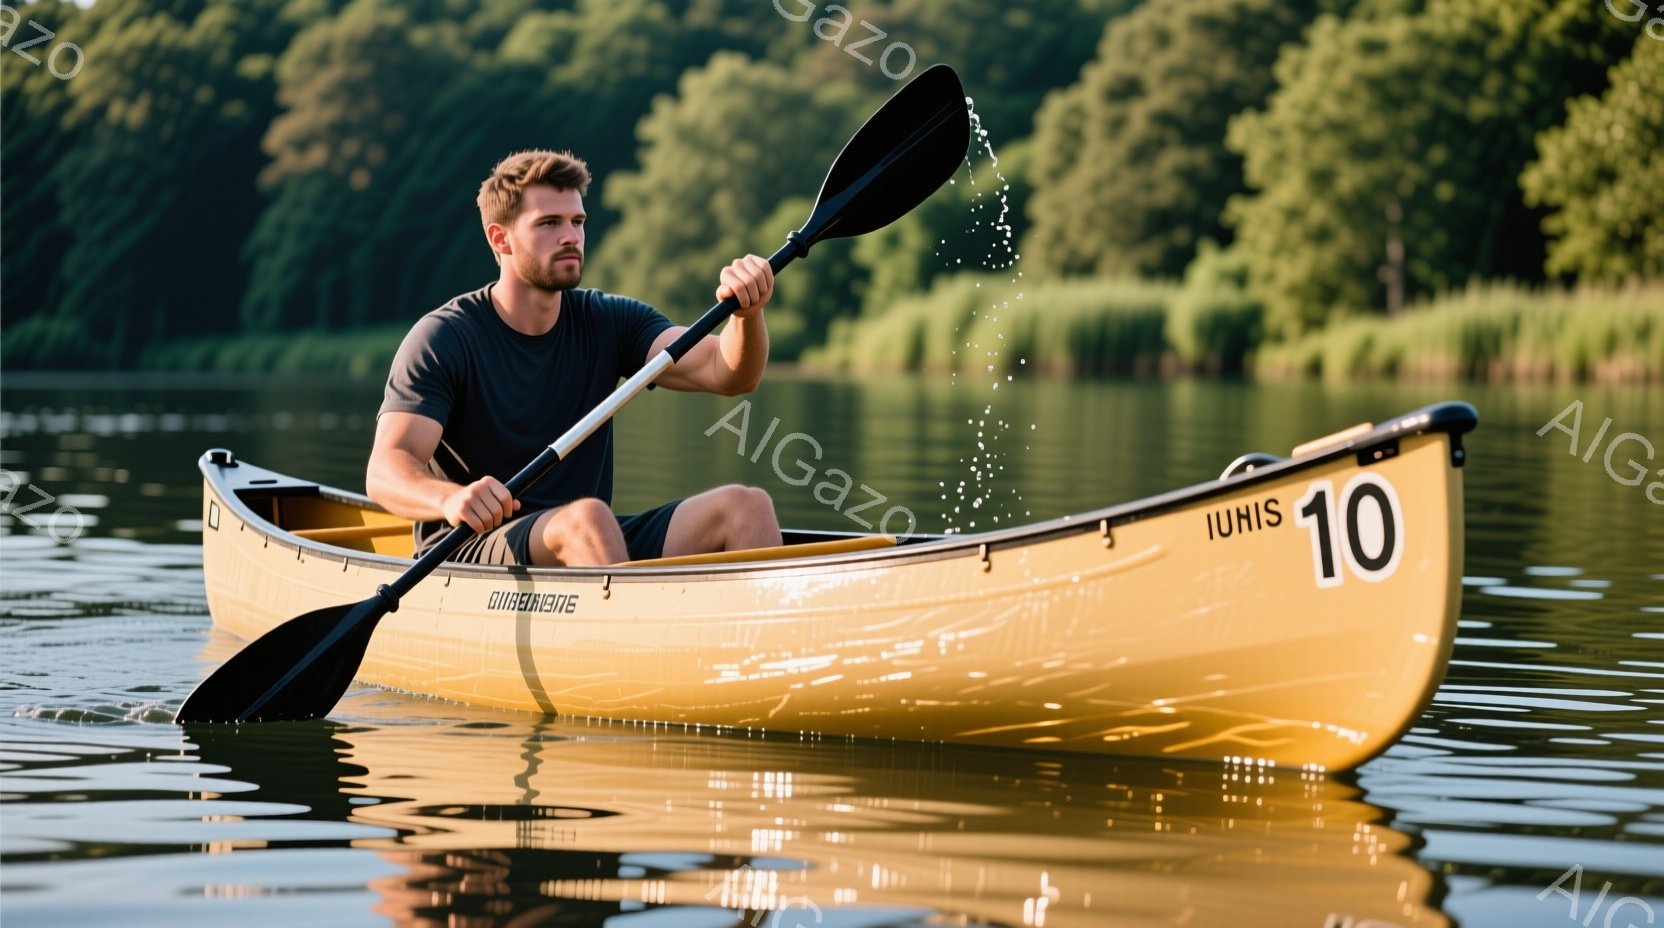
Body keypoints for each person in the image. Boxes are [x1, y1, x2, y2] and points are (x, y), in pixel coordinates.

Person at [367, 149, 782, 567]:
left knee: (748, 507)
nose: (571, 237)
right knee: (589, 518)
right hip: (473, 547)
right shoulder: (444, 337)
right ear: (500, 238)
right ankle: (626, 624)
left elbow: (726, 372)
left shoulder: (609, 319)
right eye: (549, 223)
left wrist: (747, 315)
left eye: (577, 222)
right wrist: (452, 498)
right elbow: (385, 470)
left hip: (588, 538)